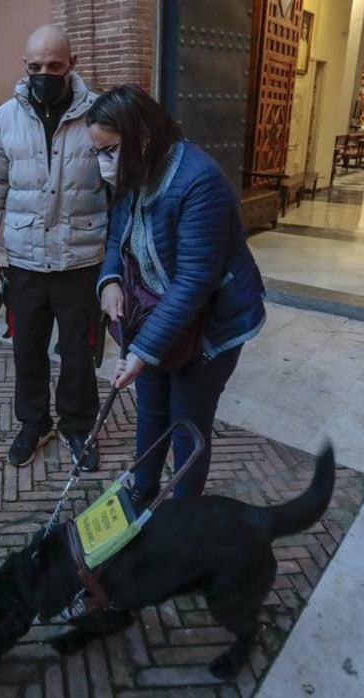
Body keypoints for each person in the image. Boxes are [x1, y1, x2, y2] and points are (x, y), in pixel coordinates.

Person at [90, 85, 267, 505]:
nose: (103, 164)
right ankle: (143, 489)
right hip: (156, 314)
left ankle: (183, 515)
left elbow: (194, 281)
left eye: (109, 150)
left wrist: (142, 350)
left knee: (187, 424)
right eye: (96, 152)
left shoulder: (198, 181)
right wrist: (111, 279)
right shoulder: (135, 170)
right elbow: (117, 234)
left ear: (143, 138)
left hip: (209, 327)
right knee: (151, 411)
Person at [0, 25, 107, 471]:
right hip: (25, 265)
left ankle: (77, 424)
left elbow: (119, 188)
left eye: (54, 66)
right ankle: (33, 422)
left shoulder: (100, 116)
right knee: (26, 351)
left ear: (72, 64)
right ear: (24, 66)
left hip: (81, 262)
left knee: (79, 355)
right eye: (35, 67)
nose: (44, 74)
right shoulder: (3, 119)